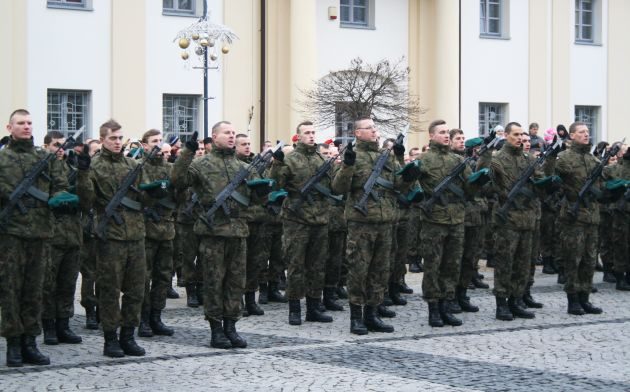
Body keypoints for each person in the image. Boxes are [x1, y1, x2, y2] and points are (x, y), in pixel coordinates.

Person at [172, 121, 268, 349]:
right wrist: (186, 152)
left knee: (235, 282)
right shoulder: (201, 164)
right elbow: (177, 181)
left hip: (238, 232)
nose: (232, 136)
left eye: (234, 133)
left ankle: (231, 327)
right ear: (214, 137)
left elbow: (255, 199)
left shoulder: (243, 167)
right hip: (213, 233)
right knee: (214, 282)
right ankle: (216, 329)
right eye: (227, 133)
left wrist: (263, 193)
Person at [332, 116, 418, 335]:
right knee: (358, 270)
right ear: (357, 133)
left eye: (374, 128)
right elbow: (339, 188)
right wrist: (348, 166)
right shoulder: (353, 156)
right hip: (361, 223)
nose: (374, 131)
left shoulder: (386, 157)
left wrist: (407, 174)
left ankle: (372, 314)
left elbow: (396, 186)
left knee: (380, 271)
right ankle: (356, 317)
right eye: (368, 128)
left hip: (385, 222)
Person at [0, 109, 68, 367]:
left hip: (40, 234)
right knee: (10, 291)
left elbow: (61, 186)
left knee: (34, 291)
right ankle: (13, 345)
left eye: (29, 122)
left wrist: (60, 200)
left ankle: (30, 342)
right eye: (21, 123)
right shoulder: (2, 159)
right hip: (10, 235)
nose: (26, 127)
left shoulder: (46, 158)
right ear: (10, 127)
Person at [76, 119, 148, 358]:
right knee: (109, 290)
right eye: (112, 139)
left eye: (120, 138)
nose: (117, 143)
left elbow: (145, 197)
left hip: (136, 235)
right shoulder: (95, 166)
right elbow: (86, 201)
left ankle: (128, 336)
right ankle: (110, 339)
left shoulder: (133, 164)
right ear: (103, 139)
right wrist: (83, 173)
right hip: (110, 238)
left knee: (136, 290)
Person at [478, 122, 553, 321]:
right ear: (507, 136)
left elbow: (540, 181)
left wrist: (544, 182)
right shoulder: (498, 159)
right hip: (507, 219)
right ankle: (502, 303)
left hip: (527, 219)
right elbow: (484, 182)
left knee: (523, 263)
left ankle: (517, 300)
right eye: (516, 134)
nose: (520, 138)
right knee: (505, 263)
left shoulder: (528, 159)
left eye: (522, 135)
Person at [417, 121, 487, 327]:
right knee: (433, 265)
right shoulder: (424, 160)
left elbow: (469, 190)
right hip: (434, 220)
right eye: (442, 132)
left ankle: (447, 306)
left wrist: (478, 181)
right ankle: (433, 309)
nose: (446, 135)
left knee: (452, 265)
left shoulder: (458, 160)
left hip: (457, 219)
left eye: (447, 132)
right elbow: (411, 190)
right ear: (431, 136)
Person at [270, 121, 333, 326]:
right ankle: (294, 308)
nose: (312, 136)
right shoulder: (291, 160)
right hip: (296, 220)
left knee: (317, 265)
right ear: (298, 136)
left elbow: (334, 186)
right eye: (307, 133)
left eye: (314, 132)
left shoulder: (321, 159)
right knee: (296, 265)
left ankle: (314, 307)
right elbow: (276, 184)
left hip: (320, 219)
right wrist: (277, 164)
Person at [549, 122, 603, 314]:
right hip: (573, 216)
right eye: (581, 132)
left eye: (587, 132)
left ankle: (585, 297)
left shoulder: (593, 159)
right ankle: (573, 300)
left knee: (589, 260)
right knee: (573, 259)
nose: (586, 135)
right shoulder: (564, 158)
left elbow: (601, 186)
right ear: (571, 136)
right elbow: (555, 183)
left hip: (592, 216)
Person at [41, 131, 83, 346]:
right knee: (48, 284)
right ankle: (48, 325)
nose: (59, 149)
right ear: (46, 145)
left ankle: (64, 325)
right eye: (55, 145)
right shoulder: (40, 170)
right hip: (50, 234)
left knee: (68, 283)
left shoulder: (72, 169)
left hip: (73, 233)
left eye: (62, 145)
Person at [136, 129, 177, 338]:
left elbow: (181, 195)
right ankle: (142, 319)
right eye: (154, 141)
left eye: (161, 141)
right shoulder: (138, 168)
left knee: (163, 277)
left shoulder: (170, 168)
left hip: (167, 229)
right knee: (144, 277)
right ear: (144, 145)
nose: (158, 145)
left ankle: (156, 317)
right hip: (146, 229)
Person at [235, 133, 270, 316]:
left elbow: (260, 196)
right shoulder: (234, 166)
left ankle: (250, 299)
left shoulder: (253, 167)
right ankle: (238, 299)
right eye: (243, 144)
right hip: (242, 220)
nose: (247, 147)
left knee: (255, 262)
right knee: (240, 263)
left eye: (249, 143)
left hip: (257, 219)